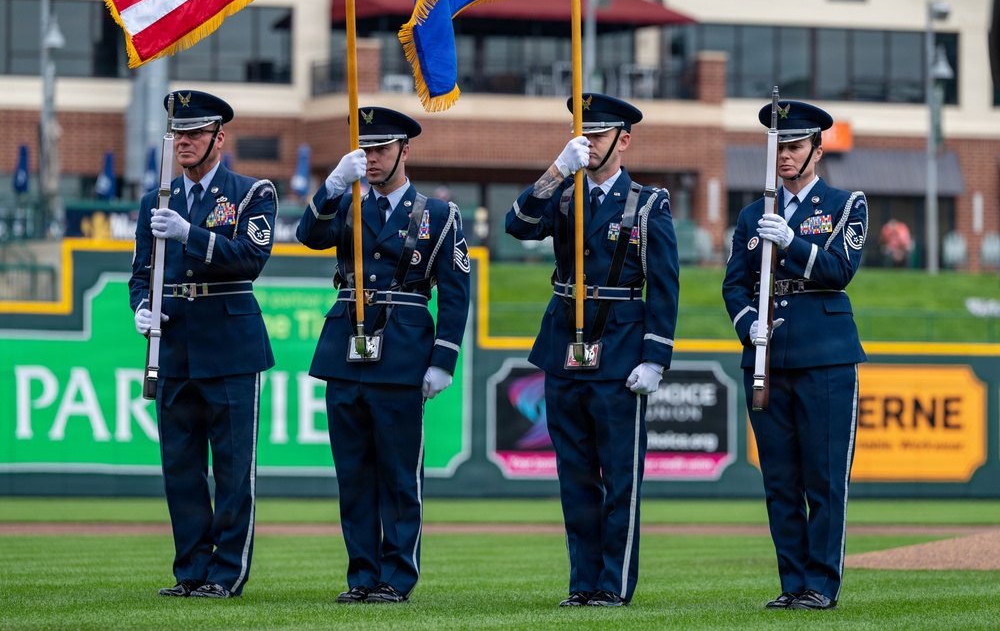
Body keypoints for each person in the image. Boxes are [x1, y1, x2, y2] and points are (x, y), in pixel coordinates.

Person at [505, 94, 679, 607]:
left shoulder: (648, 204)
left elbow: (664, 285)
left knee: (620, 478)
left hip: (621, 351)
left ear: (623, 140)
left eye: (598, 135)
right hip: (564, 349)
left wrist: (655, 357)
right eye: (583, 134)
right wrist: (557, 169)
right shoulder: (562, 194)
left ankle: (614, 584)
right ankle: (582, 583)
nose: (589, 143)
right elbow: (517, 225)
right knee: (575, 477)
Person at [296, 107, 471, 604]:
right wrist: (329, 187)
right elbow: (307, 236)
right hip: (344, 351)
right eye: (365, 149)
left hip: (402, 351)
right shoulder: (346, 201)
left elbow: (456, 292)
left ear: (404, 151)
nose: (370, 158)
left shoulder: (439, 214)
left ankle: (396, 577)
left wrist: (443, 360)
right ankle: (361, 576)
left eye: (380, 149)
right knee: (353, 475)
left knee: (398, 476)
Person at [129, 90, 277, 598]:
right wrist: (140, 309)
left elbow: (250, 259)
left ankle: (226, 573)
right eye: (178, 134)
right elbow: (141, 274)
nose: (184, 143)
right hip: (173, 346)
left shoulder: (253, 192)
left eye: (194, 133)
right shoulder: (156, 199)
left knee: (234, 470)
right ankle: (191, 570)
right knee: (181, 468)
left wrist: (191, 233)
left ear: (219, 137)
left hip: (231, 345)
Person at [722, 100, 868, 611]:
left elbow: (839, 271)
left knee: (824, 478)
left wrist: (792, 244)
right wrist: (748, 327)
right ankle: (792, 583)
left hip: (825, 356)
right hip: (767, 356)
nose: (784, 156)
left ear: (816, 150)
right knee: (780, 480)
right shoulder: (750, 214)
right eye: (778, 147)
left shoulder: (847, 204)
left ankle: (821, 586)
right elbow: (734, 285)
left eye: (794, 146)